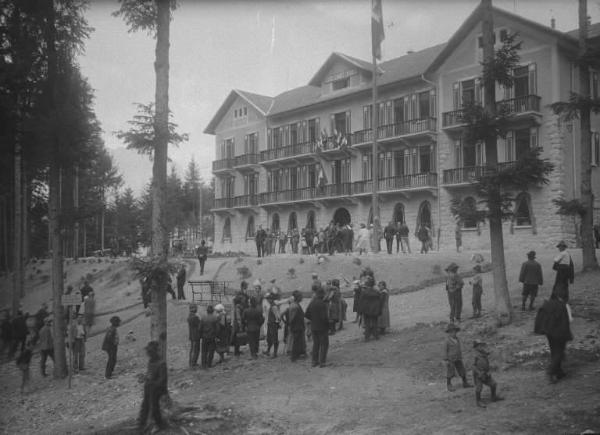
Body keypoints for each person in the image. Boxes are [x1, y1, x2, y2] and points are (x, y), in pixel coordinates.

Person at [534, 286, 573, 383]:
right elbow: (569, 320)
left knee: (554, 351)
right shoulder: (563, 305)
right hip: (560, 332)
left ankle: (559, 372)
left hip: (549, 333)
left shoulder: (547, 303)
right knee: (559, 352)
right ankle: (551, 371)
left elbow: (540, 317)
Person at [138, 341, 167, 431]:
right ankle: (141, 425)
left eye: (150, 352)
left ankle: (160, 425)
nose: (149, 354)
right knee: (145, 407)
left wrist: (152, 383)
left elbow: (162, 380)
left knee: (154, 408)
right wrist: (144, 378)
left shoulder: (161, 363)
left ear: (155, 352)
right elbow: (149, 374)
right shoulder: (151, 361)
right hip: (149, 388)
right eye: (148, 352)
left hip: (156, 389)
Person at [472, 340, 503, 407]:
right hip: (478, 375)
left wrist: (489, 371)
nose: (481, 347)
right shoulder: (475, 355)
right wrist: (478, 373)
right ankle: (478, 401)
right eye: (479, 345)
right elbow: (473, 366)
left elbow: (488, 361)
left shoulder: (484, 353)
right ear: (476, 347)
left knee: (493, 384)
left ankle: (493, 397)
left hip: (486, 373)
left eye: (482, 345)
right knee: (479, 388)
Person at [305, 287, 329, 367]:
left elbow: (306, 314)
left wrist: (314, 319)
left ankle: (314, 361)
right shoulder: (323, 304)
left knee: (316, 344)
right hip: (322, 327)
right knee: (324, 344)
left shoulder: (312, 303)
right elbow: (324, 317)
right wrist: (328, 325)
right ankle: (322, 362)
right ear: (322, 295)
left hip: (314, 326)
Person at [444, 323, 472, 392]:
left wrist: (460, 356)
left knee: (462, 370)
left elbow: (458, 348)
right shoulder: (447, 341)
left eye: (454, 331)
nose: (453, 333)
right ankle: (449, 385)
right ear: (449, 333)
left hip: (458, 358)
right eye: (451, 332)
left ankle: (465, 383)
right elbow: (445, 350)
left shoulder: (457, 339)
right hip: (450, 359)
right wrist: (446, 359)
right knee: (450, 371)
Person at [359, 276, 382, 341]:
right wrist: (379, 310)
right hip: (375, 310)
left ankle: (367, 337)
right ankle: (376, 336)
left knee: (367, 323)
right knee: (375, 323)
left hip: (366, 311)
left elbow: (361, 302)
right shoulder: (377, 292)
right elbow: (380, 302)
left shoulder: (364, 292)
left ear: (367, 284)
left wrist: (360, 311)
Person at [16, 322, 37, 394]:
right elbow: (23, 355)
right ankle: (25, 390)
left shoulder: (27, 343)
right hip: (23, 363)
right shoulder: (26, 348)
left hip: (24, 362)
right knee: (25, 377)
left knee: (25, 376)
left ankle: (24, 389)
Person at [288, 290, 306, 362]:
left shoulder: (295, 304)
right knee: (296, 341)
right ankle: (294, 356)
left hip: (298, 326)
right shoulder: (295, 306)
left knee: (298, 341)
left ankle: (297, 354)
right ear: (297, 297)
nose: (302, 298)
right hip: (296, 326)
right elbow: (292, 318)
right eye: (300, 296)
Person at [187, 304, 200, 368]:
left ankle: (191, 362)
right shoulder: (195, 317)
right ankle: (193, 363)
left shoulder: (189, 316)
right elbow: (199, 325)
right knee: (195, 350)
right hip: (196, 335)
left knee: (192, 349)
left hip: (192, 335)